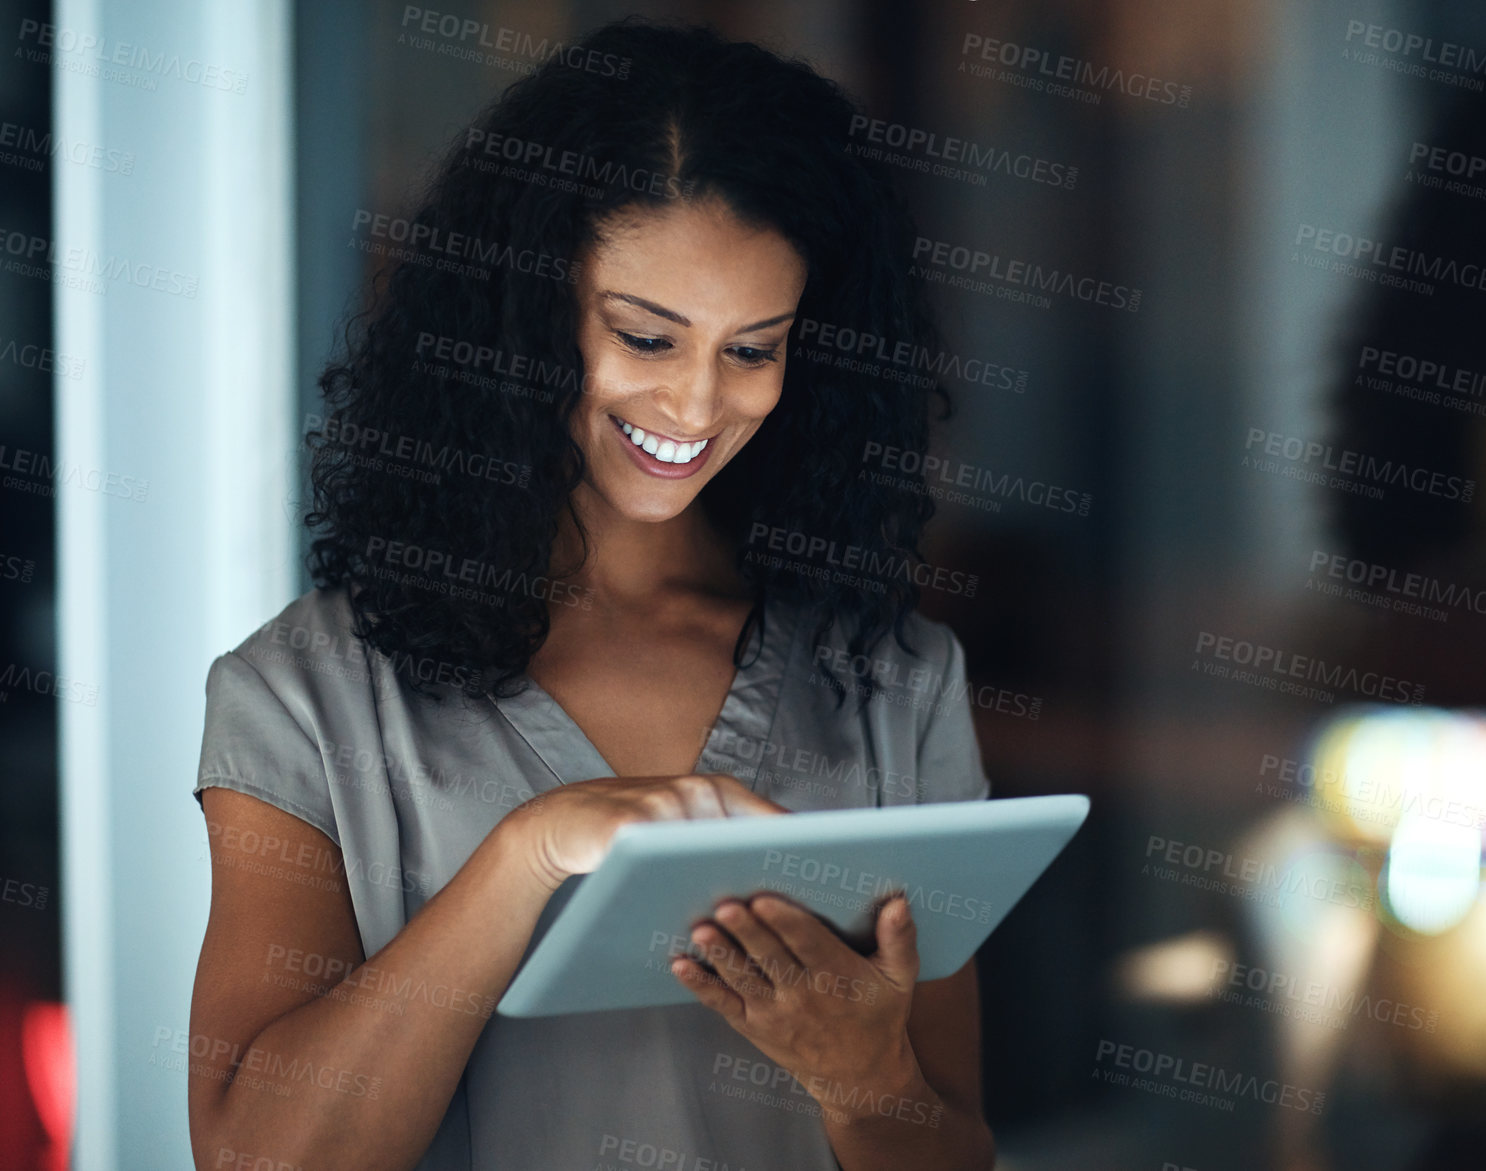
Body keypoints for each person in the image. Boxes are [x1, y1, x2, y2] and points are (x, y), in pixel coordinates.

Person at [186, 18, 998, 1171]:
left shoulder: (896, 684)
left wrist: (864, 1078)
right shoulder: (301, 698)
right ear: (521, 315)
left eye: (752, 349)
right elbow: (256, 1160)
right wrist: (524, 856)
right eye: (645, 336)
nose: (695, 404)